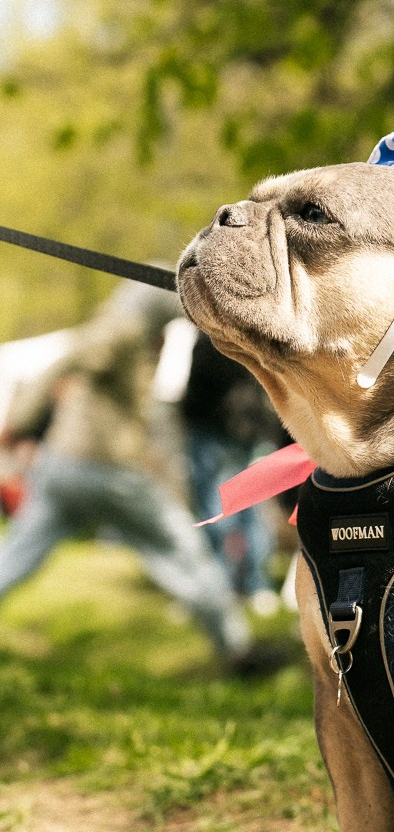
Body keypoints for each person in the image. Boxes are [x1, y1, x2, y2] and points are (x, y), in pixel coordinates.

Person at [0, 280, 264, 671]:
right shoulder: (123, 330)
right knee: (182, 549)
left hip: (63, 466)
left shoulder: (137, 336)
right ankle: (238, 650)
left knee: (17, 555)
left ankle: (236, 645)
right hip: (106, 470)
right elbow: (73, 357)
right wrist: (19, 420)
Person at [181, 331, 282, 611]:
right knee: (249, 510)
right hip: (250, 430)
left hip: (218, 433)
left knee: (216, 513)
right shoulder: (258, 334)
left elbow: (197, 387)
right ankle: (252, 585)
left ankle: (223, 588)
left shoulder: (209, 337)